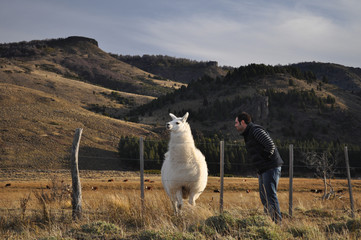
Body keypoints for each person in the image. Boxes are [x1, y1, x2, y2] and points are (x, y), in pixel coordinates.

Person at [235, 112, 283, 223]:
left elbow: (270, 145)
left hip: (271, 167)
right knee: (264, 197)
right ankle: (268, 222)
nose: (235, 125)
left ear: (243, 122)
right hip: (263, 169)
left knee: (270, 196)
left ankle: (277, 224)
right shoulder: (248, 133)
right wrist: (260, 169)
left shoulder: (256, 130)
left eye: (236, 122)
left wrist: (265, 162)